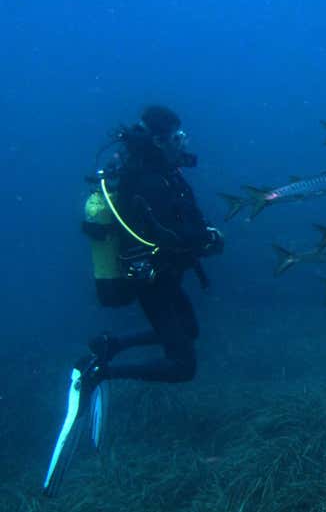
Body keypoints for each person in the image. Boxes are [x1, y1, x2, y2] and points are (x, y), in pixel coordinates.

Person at [43, 105, 224, 496]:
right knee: (182, 365)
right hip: (152, 280)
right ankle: (96, 375)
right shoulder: (146, 179)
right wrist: (203, 240)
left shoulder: (160, 173)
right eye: (178, 137)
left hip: (164, 275)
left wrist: (201, 237)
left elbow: (175, 225)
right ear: (159, 141)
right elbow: (161, 233)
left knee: (189, 329)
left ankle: (112, 345)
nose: (185, 142)